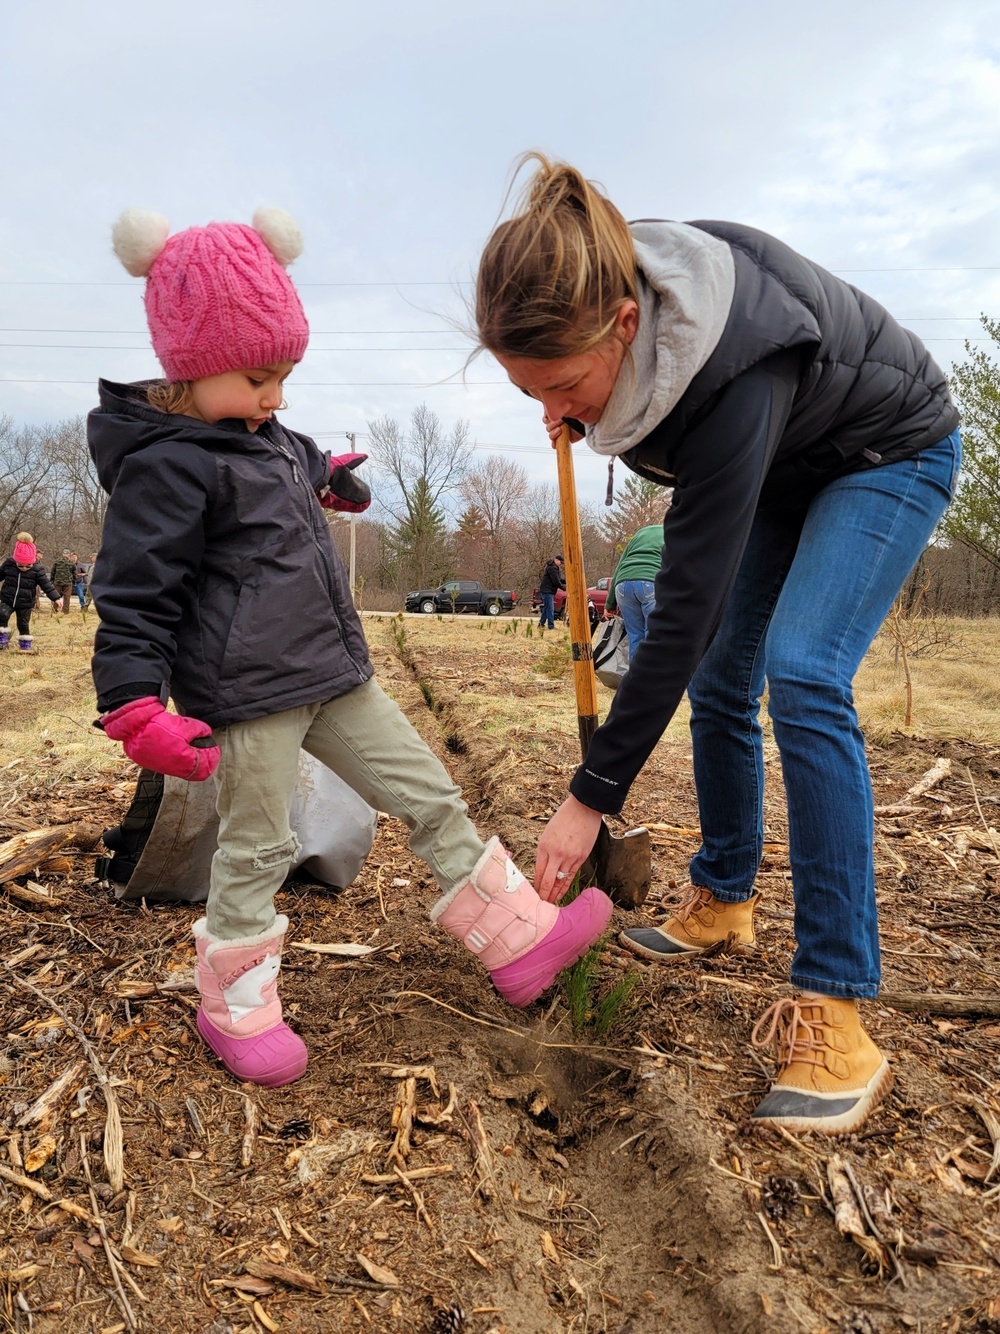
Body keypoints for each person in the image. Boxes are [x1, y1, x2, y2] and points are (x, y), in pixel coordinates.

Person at [473, 155, 961, 1135]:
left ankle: (835, 1005)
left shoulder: (730, 361)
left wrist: (590, 795)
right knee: (720, 676)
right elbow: (698, 617)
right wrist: (571, 396)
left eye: (560, 387)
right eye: (531, 395)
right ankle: (724, 894)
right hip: (793, 464)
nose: (552, 415)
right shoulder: (605, 290)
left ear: (623, 325)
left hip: (887, 448)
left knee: (804, 670)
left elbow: (684, 600)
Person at [90, 206, 612, 1090]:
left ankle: (517, 939)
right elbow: (134, 595)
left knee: (430, 792)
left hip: (335, 675)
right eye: (260, 377)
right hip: (250, 694)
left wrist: (332, 479)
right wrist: (134, 704)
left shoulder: (271, 438)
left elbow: (298, 460)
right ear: (193, 364)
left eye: (286, 376)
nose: (277, 397)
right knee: (258, 845)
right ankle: (234, 1004)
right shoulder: (167, 468)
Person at [604, 524, 664, 657]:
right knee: (653, 636)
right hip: (651, 582)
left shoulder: (640, 534)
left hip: (623, 585)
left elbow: (619, 566)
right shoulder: (672, 534)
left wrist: (610, 604)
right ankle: (652, 677)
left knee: (635, 637)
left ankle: (635, 677)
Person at [0, 533, 61, 650]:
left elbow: (46, 584)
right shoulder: (9, 564)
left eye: (28, 566)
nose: (24, 568)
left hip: (26, 602)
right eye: (20, 566)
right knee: (1, 616)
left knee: (23, 623)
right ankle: (2, 641)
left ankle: (25, 645)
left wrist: (56, 598)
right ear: (15, 560)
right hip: (8, 598)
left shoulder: (38, 570)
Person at [537, 553, 565, 629]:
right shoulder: (552, 568)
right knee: (550, 609)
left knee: (546, 608)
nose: (561, 564)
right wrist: (564, 588)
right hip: (547, 591)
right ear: (556, 560)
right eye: (561, 562)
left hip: (547, 591)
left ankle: (541, 624)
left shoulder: (554, 567)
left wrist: (567, 581)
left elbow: (558, 579)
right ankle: (551, 626)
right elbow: (556, 581)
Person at [50, 549, 75, 614]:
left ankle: (54, 610)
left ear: (63, 554)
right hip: (68, 583)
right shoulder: (71, 562)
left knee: (56, 596)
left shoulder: (57, 561)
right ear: (69, 554)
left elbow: (53, 572)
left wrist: (52, 581)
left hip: (57, 582)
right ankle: (65, 611)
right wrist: (74, 582)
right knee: (67, 597)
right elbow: (74, 573)